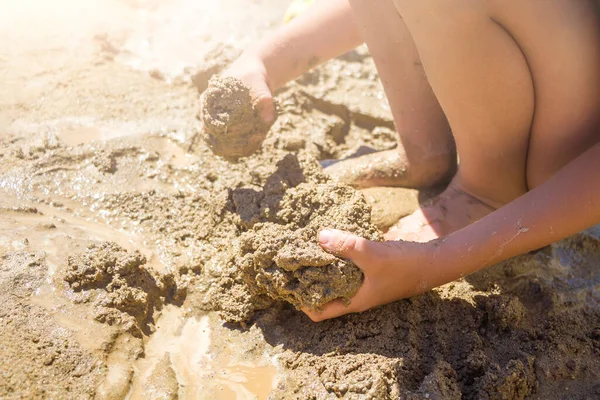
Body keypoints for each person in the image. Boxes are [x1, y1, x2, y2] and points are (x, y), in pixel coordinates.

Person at [207, 0, 600, 321]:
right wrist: (266, 60)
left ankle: (490, 189)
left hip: (570, 158)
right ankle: (424, 149)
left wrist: (437, 264)